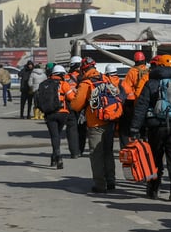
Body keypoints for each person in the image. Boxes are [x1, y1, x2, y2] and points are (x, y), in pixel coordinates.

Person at [130, 53, 171, 201]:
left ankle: (154, 188)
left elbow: (141, 107)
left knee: (155, 158)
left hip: (155, 127)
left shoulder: (151, 84)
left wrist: (135, 128)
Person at [69, 57, 118, 194]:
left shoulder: (86, 83)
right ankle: (111, 180)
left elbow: (76, 105)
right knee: (108, 152)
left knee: (96, 154)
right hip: (109, 120)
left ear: (83, 69)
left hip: (95, 123)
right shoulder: (106, 78)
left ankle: (100, 185)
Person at [40, 65, 75, 169]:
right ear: (62, 74)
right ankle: (55, 156)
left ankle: (57, 156)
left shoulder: (44, 84)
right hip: (63, 113)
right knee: (57, 135)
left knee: (54, 136)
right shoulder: (64, 84)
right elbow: (71, 97)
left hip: (49, 114)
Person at [120, 51, 150, 148]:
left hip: (133, 103)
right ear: (144, 60)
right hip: (146, 102)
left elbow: (126, 87)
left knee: (129, 127)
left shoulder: (132, 72)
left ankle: (130, 146)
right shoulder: (148, 71)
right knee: (145, 127)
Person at [65, 56, 87, 156]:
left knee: (71, 129)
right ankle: (80, 150)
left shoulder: (66, 77)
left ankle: (74, 151)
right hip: (82, 105)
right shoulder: (85, 76)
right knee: (82, 129)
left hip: (70, 105)